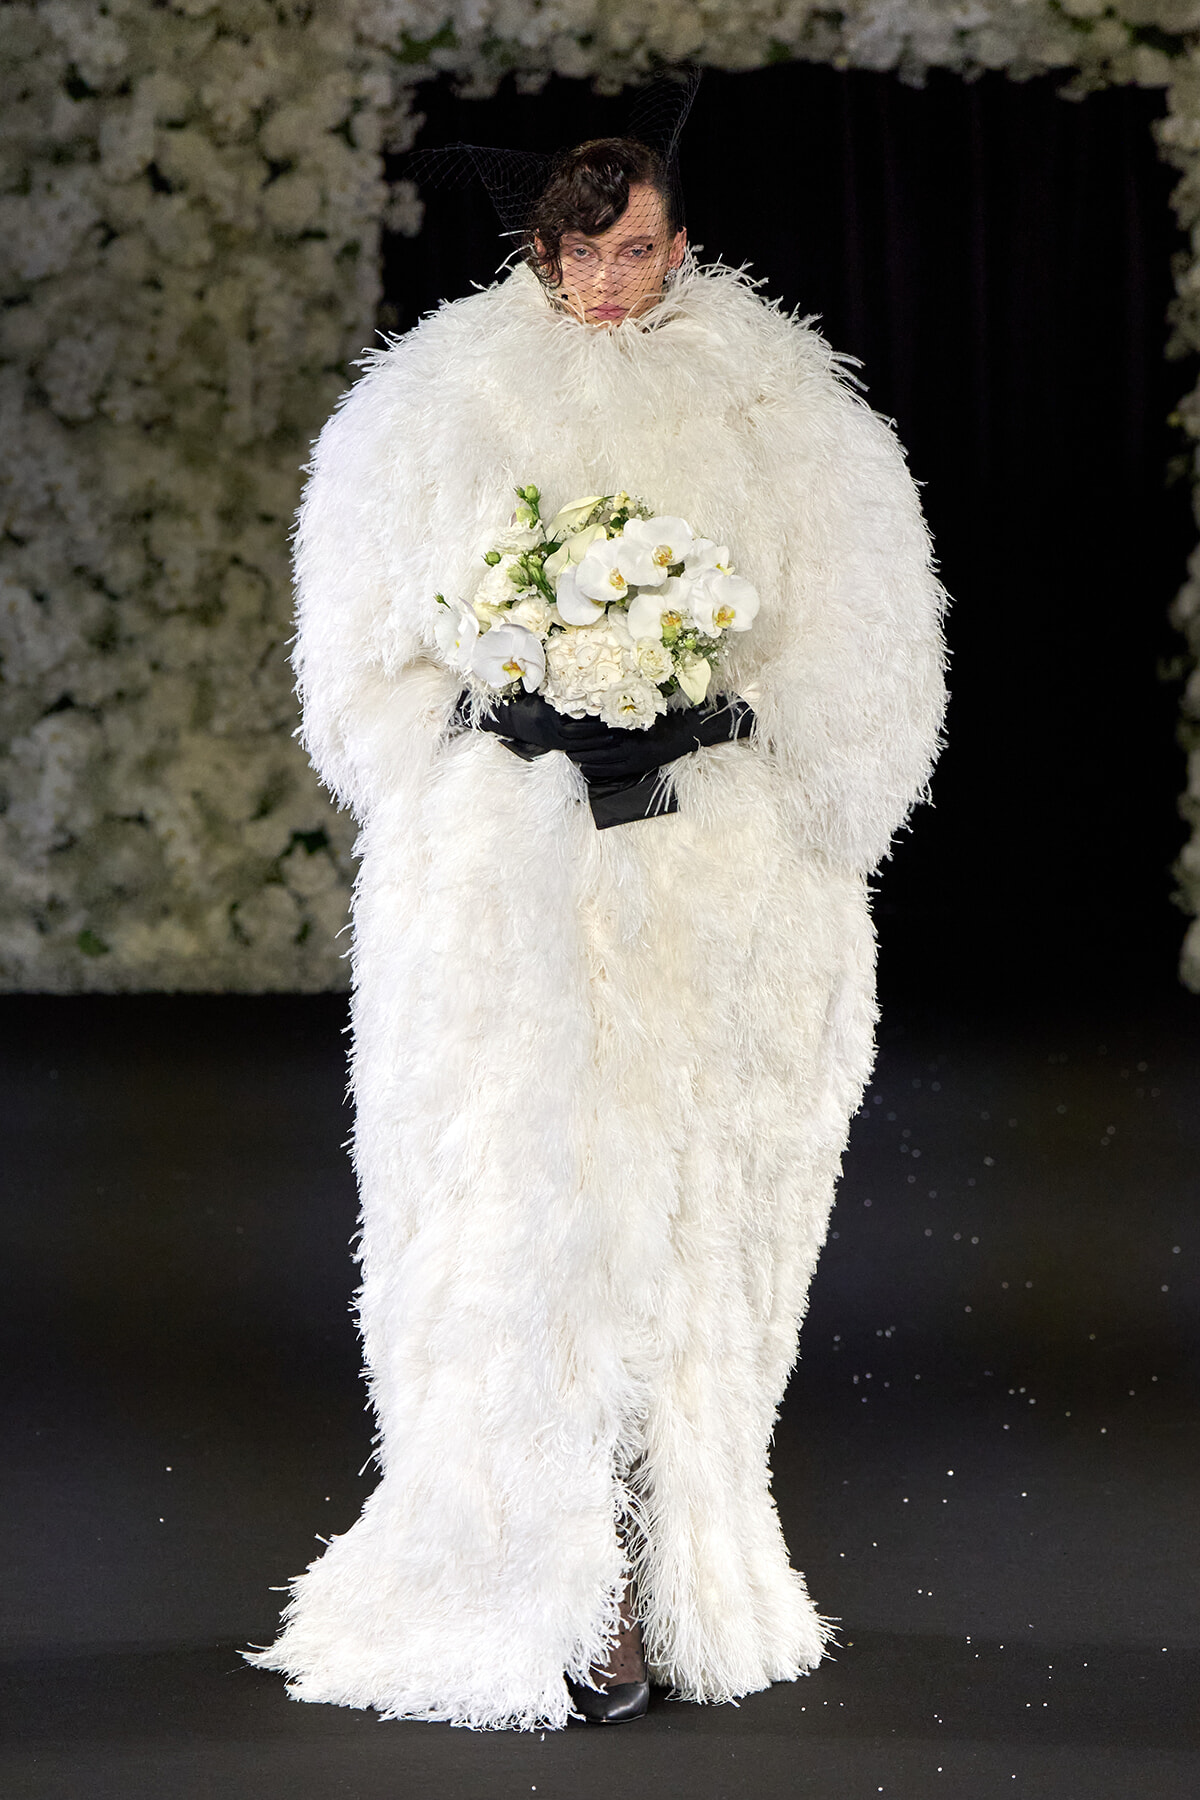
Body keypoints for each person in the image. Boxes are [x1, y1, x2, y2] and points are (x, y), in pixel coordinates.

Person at [246, 134, 947, 1732]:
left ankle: (668, 1569)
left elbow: (866, 660)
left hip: (718, 883)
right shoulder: (428, 409)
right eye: (581, 255)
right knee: (508, 1220)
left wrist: (721, 729)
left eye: (636, 251)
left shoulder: (790, 415)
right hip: (501, 889)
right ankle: (536, 1583)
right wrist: (514, 706)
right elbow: (361, 666)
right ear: (538, 254)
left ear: (679, 244)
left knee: (699, 1229)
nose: (608, 284)